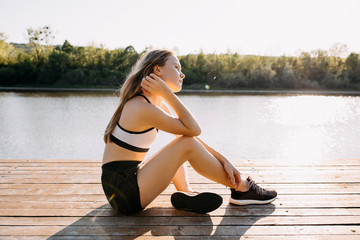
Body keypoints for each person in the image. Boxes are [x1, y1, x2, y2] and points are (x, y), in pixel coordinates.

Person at [101, 49, 277, 215]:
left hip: (126, 182)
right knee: (186, 144)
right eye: (177, 68)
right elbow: (194, 129)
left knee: (183, 141)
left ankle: (186, 192)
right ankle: (243, 188)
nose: (182, 74)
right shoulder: (140, 107)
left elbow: (188, 134)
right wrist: (167, 93)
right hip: (124, 193)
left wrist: (224, 159)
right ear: (158, 70)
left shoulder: (152, 104)